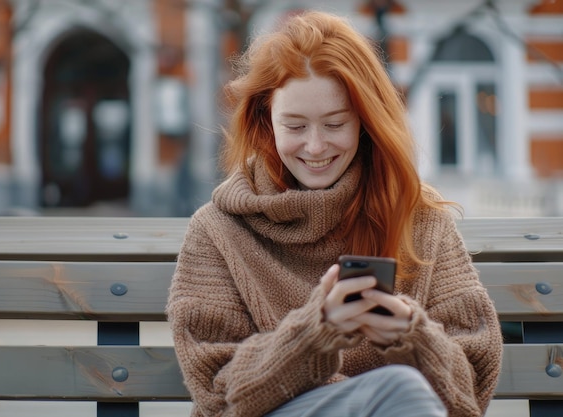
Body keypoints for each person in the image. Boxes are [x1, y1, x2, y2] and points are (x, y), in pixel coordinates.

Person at [166, 10, 502, 417]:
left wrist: (411, 337)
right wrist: (315, 332)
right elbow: (217, 395)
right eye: (294, 127)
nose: (315, 146)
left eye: (334, 123)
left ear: (365, 121)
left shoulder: (419, 219)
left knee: (399, 390)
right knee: (396, 389)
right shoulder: (217, 230)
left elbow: (470, 397)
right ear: (265, 120)